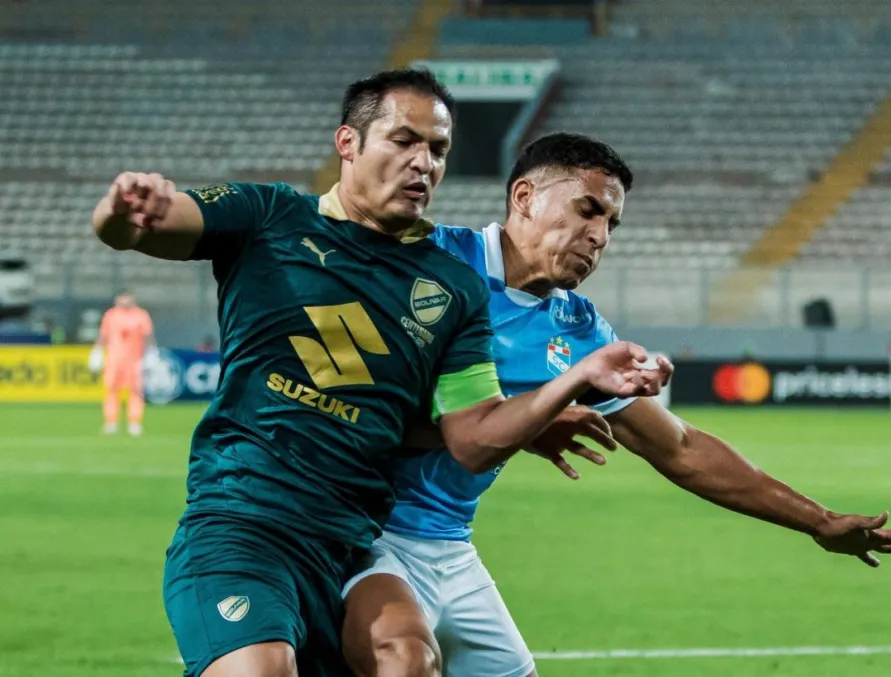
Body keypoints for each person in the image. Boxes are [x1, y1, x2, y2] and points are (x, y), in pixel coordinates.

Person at [91, 72, 665, 677]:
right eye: (403, 141)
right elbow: (142, 228)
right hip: (243, 524)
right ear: (348, 143)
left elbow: (471, 438)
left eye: (438, 150)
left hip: (353, 545)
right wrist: (122, 210)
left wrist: (576, 379)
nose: (423, 163)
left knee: (409, 657)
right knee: (264, 670)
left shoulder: (453, 285)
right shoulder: (271, 218)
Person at [341, 133, 891, 677]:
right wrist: (528, 423)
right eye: (588, 210)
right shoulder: (427, 261)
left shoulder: (577, 328)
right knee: (404, 663)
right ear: (524, 197)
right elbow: (348, 402)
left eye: (613, 224)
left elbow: (680, 447)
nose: (600, 236)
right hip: (362, 531)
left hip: (450, 544)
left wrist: (818, 520)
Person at [89, 291, 154, 436]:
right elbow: (103, 335)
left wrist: (151, 353)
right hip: (114, 359)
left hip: (134, 359)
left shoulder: (141, 315)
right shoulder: (111, 315)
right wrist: (97, 351)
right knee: (111, 389)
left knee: (135, 390)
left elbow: (147, 336)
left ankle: (134, 421)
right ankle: (111, 421)